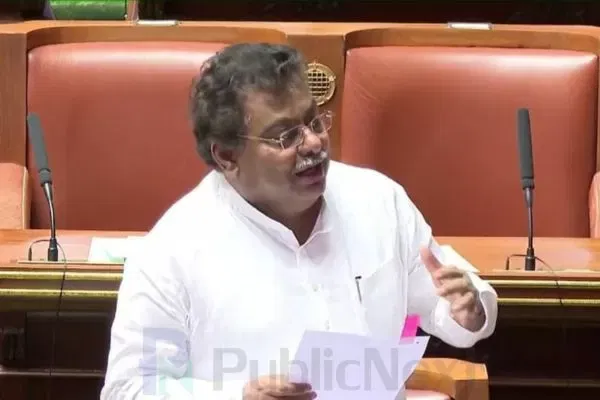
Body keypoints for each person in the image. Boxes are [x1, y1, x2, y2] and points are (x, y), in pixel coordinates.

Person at [100, 42, 498, 400]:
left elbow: (450, 306)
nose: (312, 143)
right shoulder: (172, 251)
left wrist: (470, 308)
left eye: (313, 121)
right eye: (284, 136)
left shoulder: (378, 201)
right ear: (227, 156)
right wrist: (239, 396)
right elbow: (129, 388)